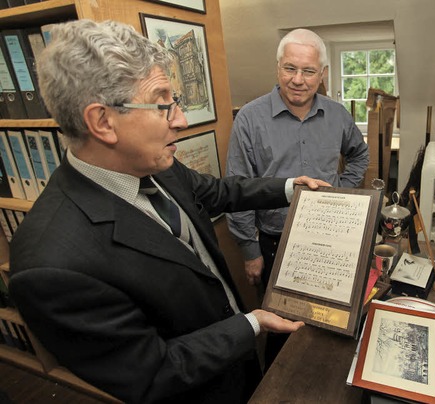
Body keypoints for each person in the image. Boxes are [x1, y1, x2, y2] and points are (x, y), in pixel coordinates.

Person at [7, 19, 330, 404]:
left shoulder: (156, 163)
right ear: (102, 121)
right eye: (163, 104)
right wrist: (251, 323)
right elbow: (152, 370)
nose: (180, 119)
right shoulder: (49, 267)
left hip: (238, 366)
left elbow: (218, 191)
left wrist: (290, 187)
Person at [225, 28, 369, 369]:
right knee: (282, 328)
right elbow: (237, 188)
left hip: (333, 239)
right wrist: (250, 251)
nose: (298, 80)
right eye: (290, 68)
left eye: (308, 71)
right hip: (276, 244)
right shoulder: (249, 119)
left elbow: (359, 156)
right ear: (277, 69)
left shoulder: (337, 115)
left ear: (322, 75)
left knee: (331, 321)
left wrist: (341, 190)